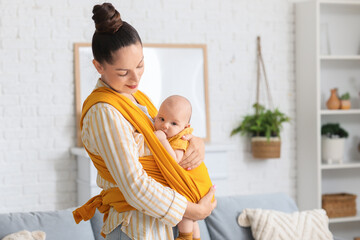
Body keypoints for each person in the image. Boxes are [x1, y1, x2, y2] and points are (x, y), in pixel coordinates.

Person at [72, 3, 216, 240]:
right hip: (134, 227)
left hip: (157, 225)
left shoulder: (137, 100)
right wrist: (195, 210)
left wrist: (194, 143)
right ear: (98, 66)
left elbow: (164, 141)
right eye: (123, 72)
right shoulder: (104, 112)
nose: (136, 77)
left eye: (140, 65)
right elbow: (134, 185)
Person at [154, 95, 213, 240]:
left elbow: (174, 160)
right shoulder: (172, 135)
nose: (165, 125)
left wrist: (162, 140)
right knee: (192, 216)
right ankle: (196, 237)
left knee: (185, 209)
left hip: (195, 186)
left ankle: (185, 236)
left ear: (185, 127)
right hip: (195, 185)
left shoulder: (180, 140)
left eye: (173, 123)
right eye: (161, 119)